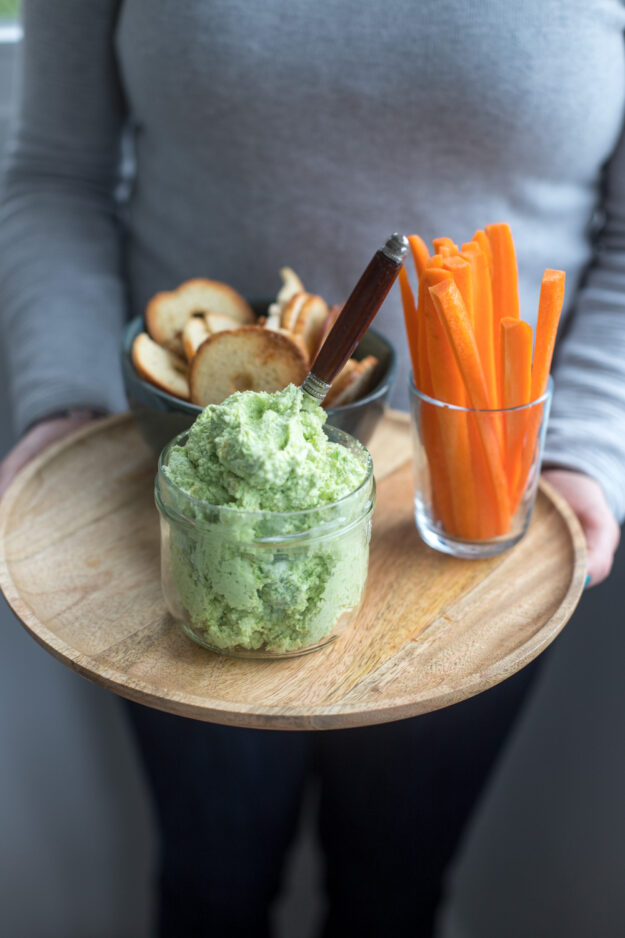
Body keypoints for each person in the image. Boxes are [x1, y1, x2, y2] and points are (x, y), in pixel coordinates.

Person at [0, 2, 622, 936]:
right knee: (210, 883)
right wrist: (66, 398)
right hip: (184, 500)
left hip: (478, 503)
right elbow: (56, 172)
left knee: (395, 895)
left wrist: (584, 448)